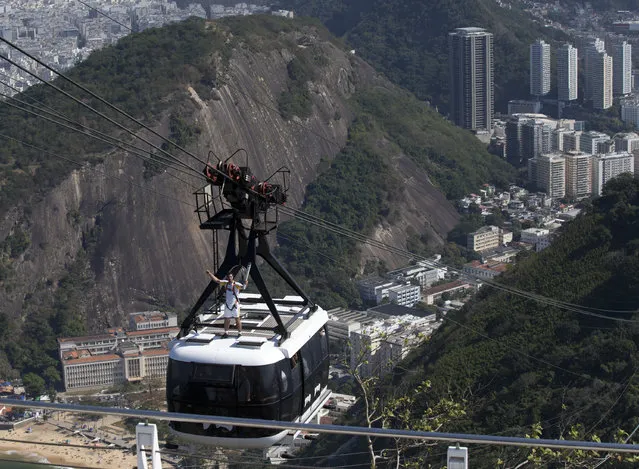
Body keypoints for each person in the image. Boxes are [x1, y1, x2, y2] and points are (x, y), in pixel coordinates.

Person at [206, 270, 248, 338]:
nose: (229, 278)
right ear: (227, 278)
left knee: (237, 319)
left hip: (235, 306)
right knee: (226, 319)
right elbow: (217, 280)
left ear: (232, 277)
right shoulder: (225, 283)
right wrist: (210, 274)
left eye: (230, 277)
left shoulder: (236, 284)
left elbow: (243, 287)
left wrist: (246, 283)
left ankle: (240, 333)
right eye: (228, 277)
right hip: (228, 305)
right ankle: (226, 333)